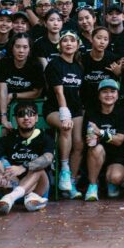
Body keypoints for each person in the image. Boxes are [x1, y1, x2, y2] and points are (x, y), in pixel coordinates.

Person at [0, 100, 56, 214]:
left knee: (38, 168)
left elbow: (48, 159)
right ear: (16, 119)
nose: (26, 117)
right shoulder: (8, 139)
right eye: (21, 114)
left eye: (31, 114)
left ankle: (10, 198)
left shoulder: (45, 138)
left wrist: (23, 167)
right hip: (13, 184)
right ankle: (22, 199)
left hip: (38, 189)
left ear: (36, 118)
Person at [44, 29, 86, 199]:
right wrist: (64, 113)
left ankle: (72, 183)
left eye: (72, 40)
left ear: (78, 44)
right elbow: (59, 92)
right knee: (65, 127)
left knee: (79, 143)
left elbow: (78, 92)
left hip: (75, 109)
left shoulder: (79, 66)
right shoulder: (54, 64)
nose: (69, 44)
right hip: (55, 108)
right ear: (59, 45)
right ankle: (64, 170)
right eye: (65, 40)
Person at [82, 79, 124, 201]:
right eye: (104, 91)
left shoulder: (123, 113)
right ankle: (93, 186)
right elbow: (90, 140)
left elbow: (119, 140)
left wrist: (100, 133)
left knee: (115, 177)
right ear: (99, 95)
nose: (109, 95)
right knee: (96, 148)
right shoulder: (91, 113)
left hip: (116, 157)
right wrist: (93, 138)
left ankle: (109, 182)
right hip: (96, 156)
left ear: (117, 95)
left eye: (112, 91)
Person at [0, 33, 46, 129]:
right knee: (4, 128)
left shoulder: (35, 66)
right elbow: (3, 90)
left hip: (28, 103)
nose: (21, 51)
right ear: (12, 48)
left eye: (25, 47)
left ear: (30, 49)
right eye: (17, 47)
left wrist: (14, 95)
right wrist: (3, 116)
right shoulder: (4, 64)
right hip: (6, 103)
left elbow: (37, 93)